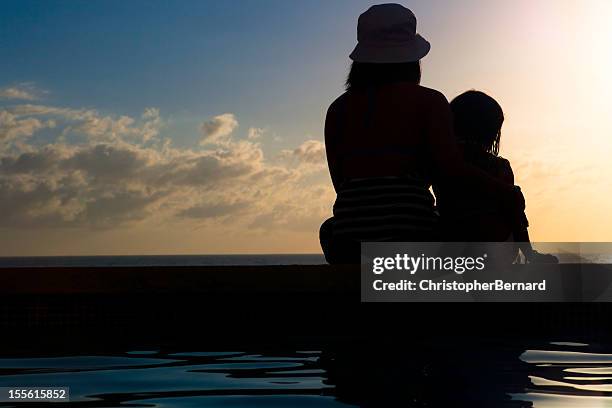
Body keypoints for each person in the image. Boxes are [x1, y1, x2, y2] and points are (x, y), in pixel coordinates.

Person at [320, 4, 524, 264]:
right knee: (468, 229)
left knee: (328, 228)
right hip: (415, 240)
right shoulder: (430, 102)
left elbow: (341, 185)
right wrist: (507, 192)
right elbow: (451, 171)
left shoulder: (336, 110)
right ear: (411, 60)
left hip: (352, 245)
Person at [434, 90, 557, 263]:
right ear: (493, 132)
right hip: (494, 250)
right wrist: (529, 254)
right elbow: (514, 215)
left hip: (452, 247)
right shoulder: (500, 167)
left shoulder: (441, 163)